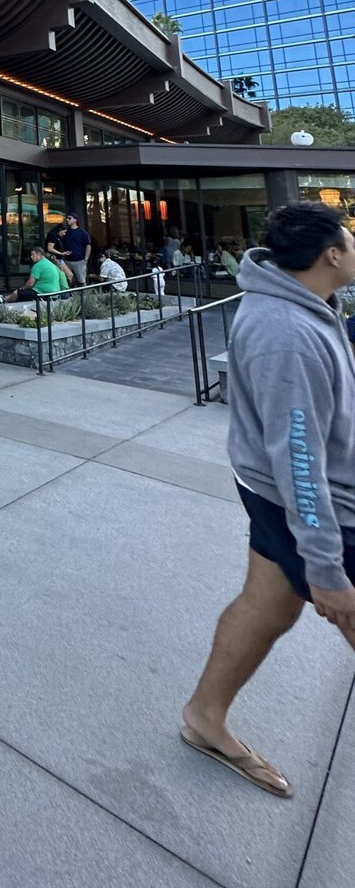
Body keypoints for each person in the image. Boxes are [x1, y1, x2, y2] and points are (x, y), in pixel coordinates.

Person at [182, 203, 355, 800]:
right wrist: (328, 570)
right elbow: (299, 460)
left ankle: (205, 715)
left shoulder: (314, 311)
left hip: (288, 493)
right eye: (352, 241)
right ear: (331, 254)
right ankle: (204, 717)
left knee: (269, 606)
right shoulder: (287, 332)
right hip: (314, 506)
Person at [60, 212, 93, 286]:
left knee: (81, 280)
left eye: (69, 218)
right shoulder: (66, 232)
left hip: (79, 260)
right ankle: (72, 294)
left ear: (75, 220)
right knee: (68, 279)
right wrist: (59, 235)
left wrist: (86, 258)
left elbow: (88, 245)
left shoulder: (82, 232)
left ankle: (83, 296)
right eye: (67, 218)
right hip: (67, 260)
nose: (67, 220)